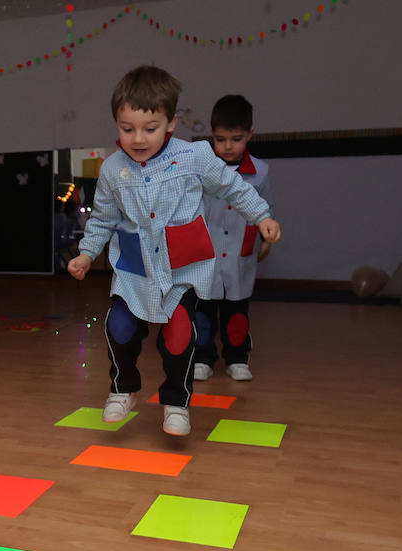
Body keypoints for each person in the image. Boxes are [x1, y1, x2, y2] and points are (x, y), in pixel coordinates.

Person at [66, 66, 282, 436]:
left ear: (170, 123)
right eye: (126, 128)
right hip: (134, 268)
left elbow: (233, 187)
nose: (137, 138)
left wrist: (261, 216)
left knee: (180, 333)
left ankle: (176, 402)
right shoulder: (112, 169)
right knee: (119, 325)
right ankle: (122, 389)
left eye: (149, 129)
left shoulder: (194, 157)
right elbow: (102, 220)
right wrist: (87, 253)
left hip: (180, 267)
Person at [194, 95, 274, 382]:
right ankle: (202, 357)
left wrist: (265, 238)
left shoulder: (260, 171)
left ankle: (237, 358)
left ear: (250, 134)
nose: (228, 146)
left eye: (236, 139)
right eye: (220, 139)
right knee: (203, 309)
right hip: (206, 252)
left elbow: (265, 207)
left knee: (236, 309)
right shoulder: (201, 168)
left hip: (241, 251)